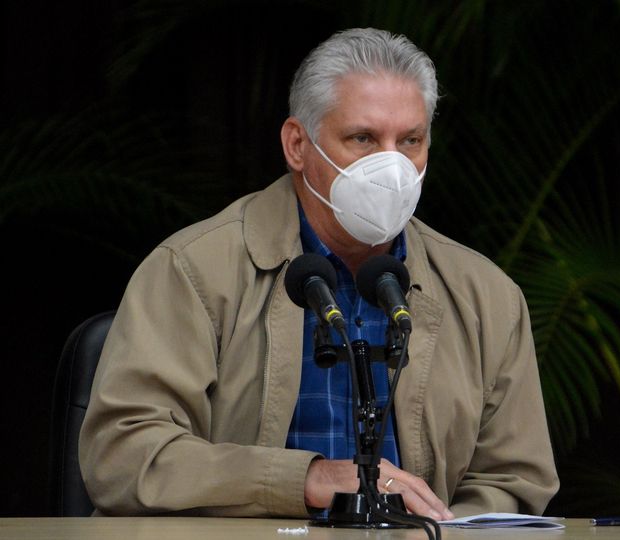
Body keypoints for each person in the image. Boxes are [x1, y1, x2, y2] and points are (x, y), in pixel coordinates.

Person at [79, 27, 559, 520]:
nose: (392, 165)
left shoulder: (488, 297)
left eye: (410, 141)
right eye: (363, 138)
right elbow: (122, 455)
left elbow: (512, 481)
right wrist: (305, 479)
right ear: (297, 145)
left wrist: (442, 530)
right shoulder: (192, 270)